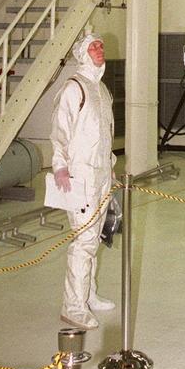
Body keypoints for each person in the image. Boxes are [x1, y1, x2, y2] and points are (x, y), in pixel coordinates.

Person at [51, 31, 116, 329]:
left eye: (101, 46)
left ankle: (88, 295)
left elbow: (106, 134)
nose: (99, 50)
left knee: (94, 239)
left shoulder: (100, 89)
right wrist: (60, 166)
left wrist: (110, 167)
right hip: (80, 177)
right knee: (84, 241)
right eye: (93, 47)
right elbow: (59, 131)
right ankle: (73, 306)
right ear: (82, 54)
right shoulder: (73, 88)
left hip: (101, 176)